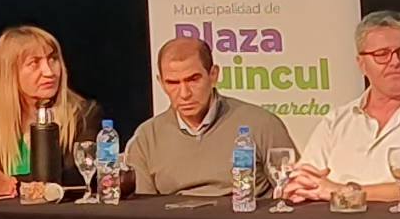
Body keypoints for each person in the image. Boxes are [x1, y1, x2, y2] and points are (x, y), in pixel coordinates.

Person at [287, 10, 400, 204]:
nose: (395, 62)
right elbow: (305, 179)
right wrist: (301, 185)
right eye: (382, 54)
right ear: (361, 64)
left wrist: (341, 191)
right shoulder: (336, 121)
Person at [124, 36, 296, 197]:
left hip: (247, 216)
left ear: (213, 75)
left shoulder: (261, 124)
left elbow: (294, 192)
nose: (184, 94)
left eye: (193, 79)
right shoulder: (146, 138)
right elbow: (143, 209)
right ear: (161, 83)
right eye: (173, 83)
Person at [0, 25, 102, 199]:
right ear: (11, 73)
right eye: (34, 63)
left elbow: (78, 179)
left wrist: (14, 185)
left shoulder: (84, 115)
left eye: (53, 59)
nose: (49, 72)